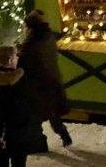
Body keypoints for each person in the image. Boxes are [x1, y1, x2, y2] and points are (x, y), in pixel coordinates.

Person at [17, 10, 72, 150]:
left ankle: (38, 143)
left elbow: (25, 61)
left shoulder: (32, 42)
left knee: (35, 114)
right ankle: (64, 134)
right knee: (53, 112)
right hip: (52, 80)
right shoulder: (48, 36)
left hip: (38, 84)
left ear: (30, 27)